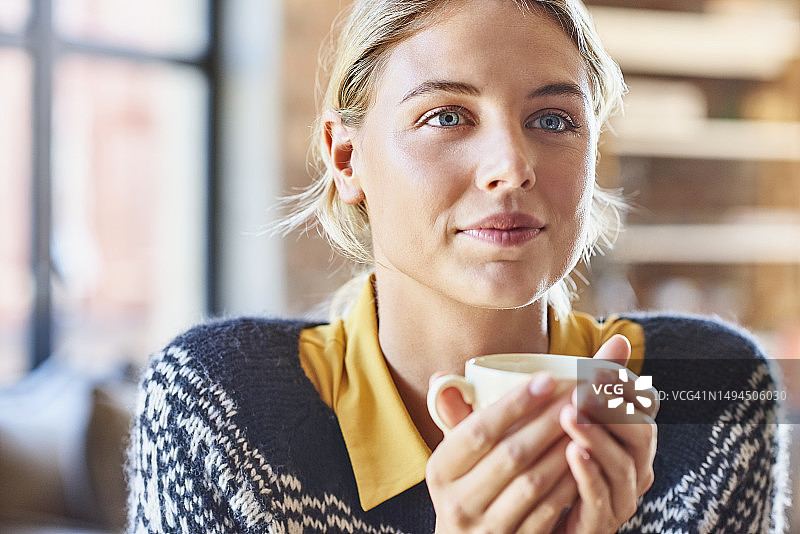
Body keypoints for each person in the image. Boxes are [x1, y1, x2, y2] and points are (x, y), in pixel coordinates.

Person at [125, 0, 790, 532]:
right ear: (346, 158)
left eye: (554, 120)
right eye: (447, 116)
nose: (512, 167)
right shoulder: (221, 405)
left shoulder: (703, 394)